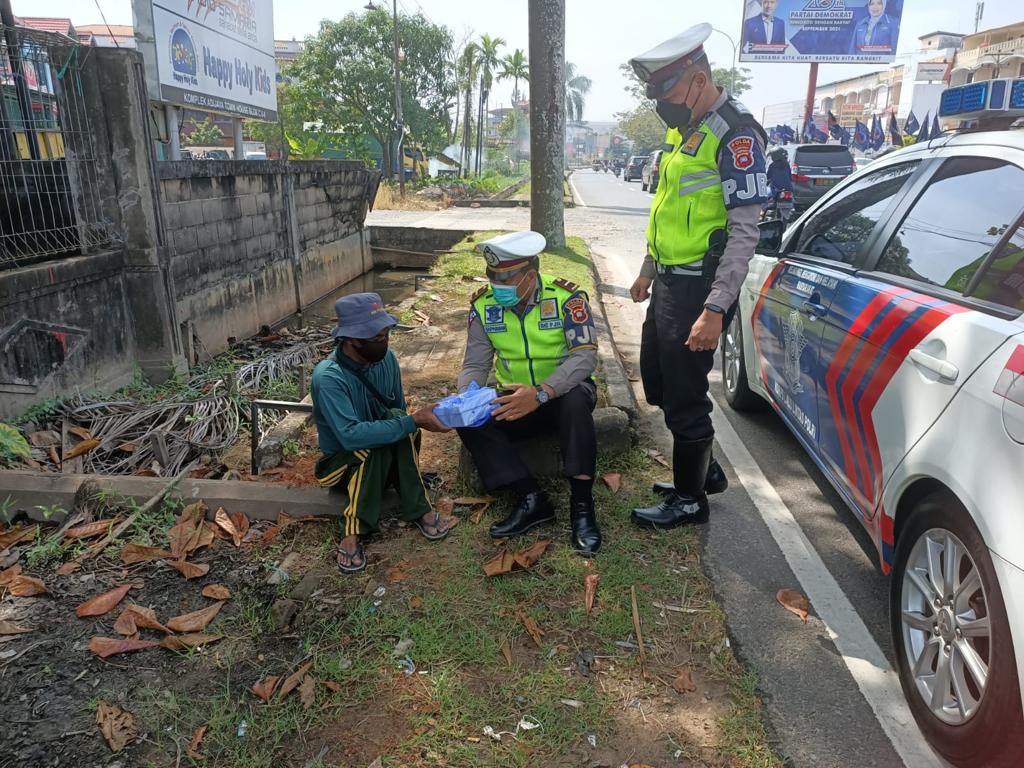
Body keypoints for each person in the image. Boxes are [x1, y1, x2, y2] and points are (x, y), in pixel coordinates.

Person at [628, 23, 769, 528]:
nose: (662, 104)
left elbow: (743, 233)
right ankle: (702, 471)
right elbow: (667, 209)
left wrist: (715, 308)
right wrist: (648, 268)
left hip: (698, 289)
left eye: (667, 92)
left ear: (699, 79)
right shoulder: (683, 129)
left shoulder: (737, 135)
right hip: (667, 282)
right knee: (659, 379)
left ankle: (691, 501)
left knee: (686, 393)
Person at [456, 231, 602, 554]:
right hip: (514, 399)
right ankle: (531, 498)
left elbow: (584, 357)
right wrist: (467, 395)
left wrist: (540, 393)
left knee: (578, 399)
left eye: (506, 278)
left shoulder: (568, 298)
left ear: (530, 275)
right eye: (492, 277)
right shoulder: (483, 306)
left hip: (560, 395)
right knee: (468, 418)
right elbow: (475, 364)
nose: (498, 286)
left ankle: (582, 507)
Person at [311, 292, 453, 573]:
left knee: (398, 420)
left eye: (386, 334)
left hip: (384, 460)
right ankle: (353, 529)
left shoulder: (387, 360)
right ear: (351, 339)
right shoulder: (329, 377)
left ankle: (418, 507)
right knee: (372, 442)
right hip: (343, 465)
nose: (384, 342)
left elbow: (398, 412)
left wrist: (411, 422)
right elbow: (350, 437)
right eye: (376, 338)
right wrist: (413, 421)